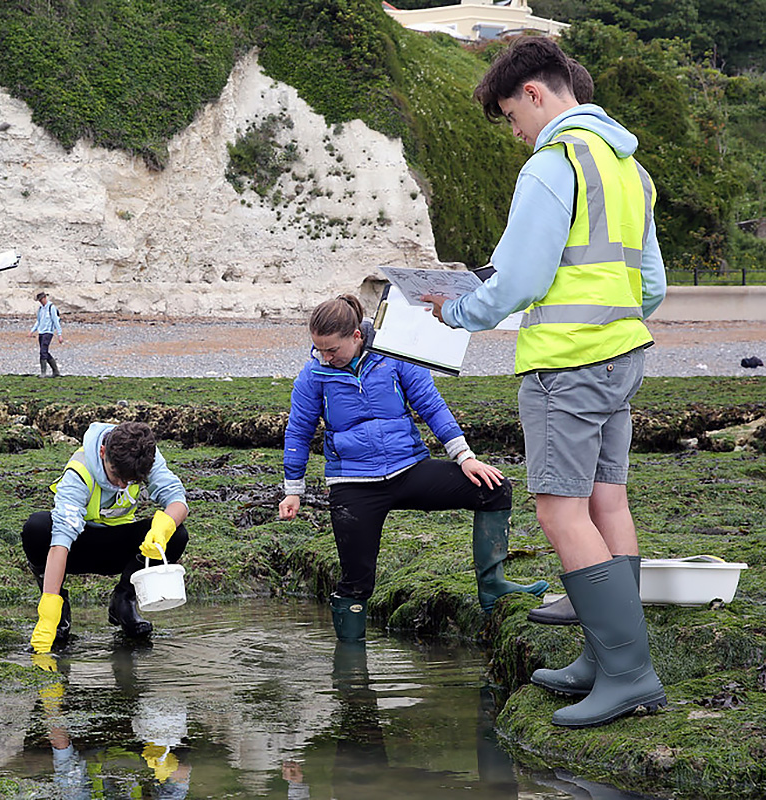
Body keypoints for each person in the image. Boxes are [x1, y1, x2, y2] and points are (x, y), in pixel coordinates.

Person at [422, 36, 668, 728]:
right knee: (606, 499)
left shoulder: (553, 162)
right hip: (621, 353)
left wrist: (455, 312)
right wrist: (608, 319)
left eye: (510, 115)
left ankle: (629, 674)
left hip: (566, 362)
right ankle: (602, 656)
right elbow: (651, 285)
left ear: (533, 92)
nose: (514, 131)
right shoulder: (627, 166)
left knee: (560, 511)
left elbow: (520, 281)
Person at [278, 295, 548, 642]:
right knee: (356, 582)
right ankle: (349, 666)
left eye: (332, 349)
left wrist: (464, 456)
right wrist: (293, 490)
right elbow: (298, 431)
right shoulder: (313, 375)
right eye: (319, 349)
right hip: (353, 482)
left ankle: (493, 588)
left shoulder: (394, 354)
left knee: (494, 489)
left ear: (356, 336)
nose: (325, 357)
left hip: (409, 469)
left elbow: (431, 404)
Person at [23, 421, 189, 652]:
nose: (122, 485)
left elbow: (177, 500)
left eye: (130, 481)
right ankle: (59, 612)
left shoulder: (144, 455)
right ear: (103, 452)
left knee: (177, 534)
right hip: (78, 547)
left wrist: (163, 528)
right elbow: (61, 541)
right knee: (37, 528)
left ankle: (124, 601)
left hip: (122, 545)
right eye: (116, 475)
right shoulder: (79, 472)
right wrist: (48, 608)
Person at [29, 290, 64, 377]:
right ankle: (56, 371)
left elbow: (56, 321)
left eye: (41, 300)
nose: (40, 302)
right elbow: (38, 321)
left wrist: (59, 334)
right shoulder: (41, 309)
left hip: (48, 332)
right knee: (44, 352)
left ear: (45, 298)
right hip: (41, 332)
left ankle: (43, 373)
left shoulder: (51, 307)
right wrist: (32, 330)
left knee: (43, 351)